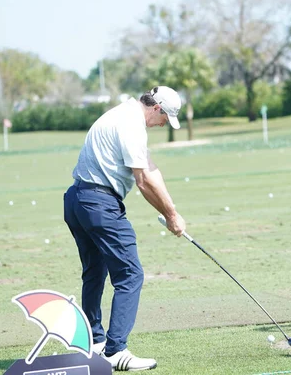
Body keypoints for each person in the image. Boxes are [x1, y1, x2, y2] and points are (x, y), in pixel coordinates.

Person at [64, 86, 186, 371]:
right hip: (100, 204)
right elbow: (143, 181)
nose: (164, 124)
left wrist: (173, 209)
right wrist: (171, 215)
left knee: (94, 272)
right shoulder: (132, 125)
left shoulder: (122, 113)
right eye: (165, 118)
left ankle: (94, 341)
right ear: (156, 108)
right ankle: (115, 350)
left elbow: (150, 168)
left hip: (77, 199)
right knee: (130, 274)